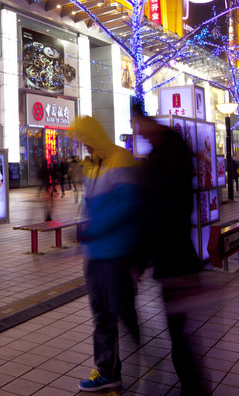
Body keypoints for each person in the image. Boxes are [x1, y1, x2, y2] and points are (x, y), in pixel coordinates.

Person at [132, 105, 206, 395]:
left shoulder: (163, 159)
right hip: (178, 257)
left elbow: (156, 213)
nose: (137, 131)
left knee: (179, 334)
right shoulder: (173, 151)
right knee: (180, 332)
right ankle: (192, 386)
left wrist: (139, 259)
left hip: (174, 260)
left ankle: (194, 389)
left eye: (138, 125)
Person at [71, 115, 141, 392]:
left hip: (116, 252)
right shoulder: (91, 165)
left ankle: (128, 355)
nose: (84, 147)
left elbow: (128, 205)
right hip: (94, 253)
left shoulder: (121, 159)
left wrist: (94, 228)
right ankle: (108, 370)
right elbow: (90, 206)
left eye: (86, 141)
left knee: (118, 312)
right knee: (101, 315)